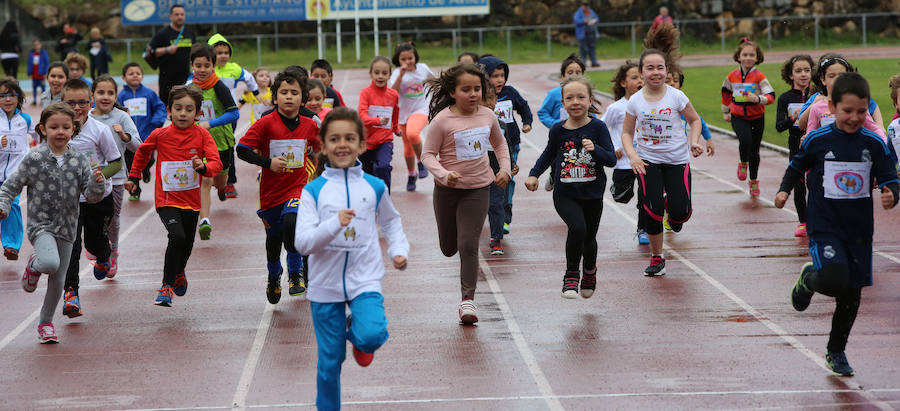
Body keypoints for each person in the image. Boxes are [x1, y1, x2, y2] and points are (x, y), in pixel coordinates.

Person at [775, 72, 899, 377]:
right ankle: (809, 279)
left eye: (861, 111)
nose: (854, 117)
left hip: (858, 229)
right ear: (831, 106)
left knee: (851, 295)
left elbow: (890, 178)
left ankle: (836, 350)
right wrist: (784, 190)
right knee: (833, 277)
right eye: (847, 111)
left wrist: (891, 195)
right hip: (824, 223)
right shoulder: (818, 140)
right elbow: (796, 166)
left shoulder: (874, 143)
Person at [294, 107, 408, 411]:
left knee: (370, 335)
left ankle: (358, 337)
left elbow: (392, 222)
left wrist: (399, 250)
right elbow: (303, 244)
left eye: (349, 138)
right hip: (324, 286)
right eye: (334, 139)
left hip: (365, 279)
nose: (342, 145)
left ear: (361, 144)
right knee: (329, 363)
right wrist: (334, 224)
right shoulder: (313, 192)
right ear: (323, 145)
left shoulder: (374, 186)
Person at [0, 103, 105, 343]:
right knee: (49, 263)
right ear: (42, 129)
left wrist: (98, 182)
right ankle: (35, 265)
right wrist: (3, 206)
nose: (60, 131)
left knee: (58, 280)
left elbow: (92, 196)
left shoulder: (79, 160)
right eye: (54, 126)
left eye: (66, 127)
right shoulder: (34, 158)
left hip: (68, 228)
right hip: (41, 225)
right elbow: (10, 186)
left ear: (73, 130)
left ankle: (46, 323)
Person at [422, 63, 511, 324]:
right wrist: (443, 174)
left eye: (477, 89)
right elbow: (427, 155)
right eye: (466, 90)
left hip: (478, 189)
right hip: (447, 191)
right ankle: (454, 255)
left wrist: (505, 168)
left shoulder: (487, 116)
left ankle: (467, 301)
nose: (473, 94)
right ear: (452, 92)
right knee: (449, 247)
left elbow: (500, 144)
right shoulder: (442, 121)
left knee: (468, 245)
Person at [125, 85, 223, 306]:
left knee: (187, 243)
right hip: (166, 199)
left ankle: (179, 271)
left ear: (198, 113)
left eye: (189, 109)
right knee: (177, 237)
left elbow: (216, 163)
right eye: (178, 108)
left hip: (191, 201)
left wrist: (203, 168)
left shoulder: (202, 135)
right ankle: (166, 286)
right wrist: (134, 177)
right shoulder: (160, 134)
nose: (183, 113)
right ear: (169, 110)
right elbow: (142, 151)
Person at [620, 25, 704, 277]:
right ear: (641, 72)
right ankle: (657, 257)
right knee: (652, 211)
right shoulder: (635, 101)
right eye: (650, 68)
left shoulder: (676, 96)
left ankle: (674, 211)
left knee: (681, 212)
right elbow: (626, 133)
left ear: (667, 71)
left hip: (677, 160)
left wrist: (694, 141)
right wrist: (633, 155)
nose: (655, 72)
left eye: (660, 67)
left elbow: (695, 120)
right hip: (648, 161)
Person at [525, 77, 616, 298]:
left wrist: (595, 148)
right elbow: (548, 153)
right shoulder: (558, 130)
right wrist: (534, 174)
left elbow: (611, 159)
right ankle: (571, 274)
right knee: (577, 228)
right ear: (563, 103)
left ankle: (590, 272)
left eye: (581, 97)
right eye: (569, 98)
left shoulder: (598, 127)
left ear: (590, 100)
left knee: (589, 238)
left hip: (592, 193)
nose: (575, 102)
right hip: (565, 193)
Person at [237, 69, 320, 303]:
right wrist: (268, 163)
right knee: (274, 239)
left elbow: (324, 148)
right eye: (284, 92)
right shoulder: (266, 124)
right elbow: (241, 149)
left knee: (292, 223)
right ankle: (274, 275)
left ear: (303, 99)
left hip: (297, 187)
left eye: (295, 93)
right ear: (275, 97)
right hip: (271, 192)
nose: (289, 97)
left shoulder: (309, 125)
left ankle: (295, 272)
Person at [61, 78, 123, 318]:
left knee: (94, 245)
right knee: (71, 248)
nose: (77, 108)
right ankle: (71, 294)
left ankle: (104, 254)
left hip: (98, 198)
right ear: (62, 102)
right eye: (71, 103)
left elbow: (116, 162)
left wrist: (101, 175)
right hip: (69, 201)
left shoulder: (99, 130)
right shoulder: (58, 129)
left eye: (83, 102)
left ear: (90, 102)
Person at [90, 75, 142, 277]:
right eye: (100, 92)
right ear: (92, 95)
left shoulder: (122, 117)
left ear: (116, 95)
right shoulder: (87, 118)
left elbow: (138, 146)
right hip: (91, 177)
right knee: (89, 217)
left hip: (117, 177)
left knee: (113, 218)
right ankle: (95, 247)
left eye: (110, 93)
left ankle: (113, 252)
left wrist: (124, 136)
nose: (105, 97)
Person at [188, 43, 239, 240]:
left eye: (206, 66)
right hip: (199, 142)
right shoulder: (189, 86)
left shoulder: (219, 86)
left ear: (213, 66)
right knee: (205, 180)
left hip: (221, 142)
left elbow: (234, 113)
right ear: (192, 65)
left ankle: (223, 188)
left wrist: (210, 123)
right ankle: (205, 221)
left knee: (220, 182)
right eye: (198, 65)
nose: (202, 70)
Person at [479, 55, 532, 235]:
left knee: (507, 180)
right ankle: (490, 210)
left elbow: (524, 107)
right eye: (495, 76)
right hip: (485, 148)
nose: (500, 79)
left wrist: (527, 123)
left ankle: (504, 218)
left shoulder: (510, 93)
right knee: (488, 182)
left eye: (502, 75)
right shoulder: (479, 96)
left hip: (511, 145)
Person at [208, 33, 260, 199]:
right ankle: (207, 180)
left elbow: (249, 78)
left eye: (226, 52)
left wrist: (256, 91)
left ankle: (229, 182)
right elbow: (190, 82)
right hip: (208, 116)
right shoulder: (206, 68)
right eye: (218, 52)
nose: (223, 56)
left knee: (228, 148)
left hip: (229, 116)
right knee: (207, 147)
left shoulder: (234, 68)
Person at [721, 38, 774, 197]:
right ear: (739, 56)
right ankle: (743, 162)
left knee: (755, 151)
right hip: (738, 115)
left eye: (752, 55)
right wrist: (726, 111)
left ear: (757, 58)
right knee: (746, 141)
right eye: (745, 54)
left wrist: (758, 99)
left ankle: (753, 181)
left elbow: (771, 96)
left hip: (757, 116)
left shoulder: (759, 77)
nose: (748, 58)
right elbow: (726, 93)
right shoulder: (732, 76)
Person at [602, 60, 648, 244]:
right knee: (622, 196)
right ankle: (618, 189)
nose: (640, 80)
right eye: (634, 77)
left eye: (642, 77)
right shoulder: (616, 108)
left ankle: (643, 228)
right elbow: (601, 129)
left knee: (646, 196)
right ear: (623, 83)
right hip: (623, 161)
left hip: (645, 158)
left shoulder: (649, 104)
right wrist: (613, 148)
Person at [775, 54, 814, 237]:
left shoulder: (819, 96)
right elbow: (779, 126)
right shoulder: (785, 98)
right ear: (791, 75)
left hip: (815, 144)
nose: (803, 74)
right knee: (799, 185)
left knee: (815, 183)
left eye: (807, 70)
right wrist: (793, 118)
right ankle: (803, 222)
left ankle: (817, 217)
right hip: (795, 145)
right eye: (798, 71)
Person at [537, 53, 587, 192]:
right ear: (562, 76)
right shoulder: (554, 94)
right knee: (557, 160)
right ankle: (554, 176)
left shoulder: (586, 94)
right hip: (559, 136)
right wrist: (554, 123)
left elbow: (592, 113)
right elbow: (542, 112)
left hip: (580, 137)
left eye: (578, 72)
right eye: (570, 72)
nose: (574, 75)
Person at [118, 62, 167, 200]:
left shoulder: (149, 93)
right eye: (131, 73)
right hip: (128, 138)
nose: (135, 76)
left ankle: (145, 171)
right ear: (123, 77)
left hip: (147, 135)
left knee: (149, 159)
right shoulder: (122, 96)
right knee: (130, 164)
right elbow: (116, 111)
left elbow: (159, 108)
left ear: (142, 76)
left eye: (138, 73)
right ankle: (135, 190)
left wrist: (156, 122)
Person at [390, 42, 433, 191]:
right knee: (408, 148)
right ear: (398, 60)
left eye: (411, 57)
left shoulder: (423, 68)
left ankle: (422, 162)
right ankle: (411, 174)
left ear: (415, 57)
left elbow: (434, 82)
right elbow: (393, 93)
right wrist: (401, 75)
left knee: (413, 133)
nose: (408, 61)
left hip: (422, 109)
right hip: (403, 114)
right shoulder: (396, 73)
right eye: (404, 59)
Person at [0, 78, 32, 261]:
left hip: (15, 176)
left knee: (11, 206)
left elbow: (43, 134)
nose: (7, 99)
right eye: (2, 95)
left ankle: (11, 245)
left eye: (11, 95)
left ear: (18, 97)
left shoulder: (25, 119)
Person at [358, 56, 399, 191]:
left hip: (384, 140)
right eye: (377, 73)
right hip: (367, 141)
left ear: (390, 75)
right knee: (366, 173)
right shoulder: (366, 93)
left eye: (384, 73)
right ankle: (369, 199)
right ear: (370, 73)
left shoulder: (393, 95)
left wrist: (395, 127)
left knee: (382, 167)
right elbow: (362, 116)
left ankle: (385, 197)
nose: (380, 76)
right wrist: (377, 120)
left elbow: (395, 113)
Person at [149, 4, 197, 104]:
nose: (180, 17)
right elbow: (150, 52)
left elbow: (195, 53)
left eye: (182, 14)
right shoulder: (162, 34)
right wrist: (166, 50)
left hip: (185, 78)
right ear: (171, 16)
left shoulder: (190, 33)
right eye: (177, 14)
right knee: (168, 108)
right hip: (167, 80)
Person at [573, 2, 600, 68]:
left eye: (587, 7)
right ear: (582, 6)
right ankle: (582, 63)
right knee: (583, 49)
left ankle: (594, 62)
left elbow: (597, 18)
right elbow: (576, 21)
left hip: (591, 32)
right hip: (582, 34)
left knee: (592, 48)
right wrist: (584, 21)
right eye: (585, 7)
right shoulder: (578, 13)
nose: (587, 8)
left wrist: (595, 20)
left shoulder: (591, 11)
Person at [28, 39, 50, 106]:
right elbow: (29, 63)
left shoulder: (44, 53)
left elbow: (47, 63)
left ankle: (43, 100)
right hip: (34, 73)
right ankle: (34, 100)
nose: (36, 46)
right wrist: (29, 72)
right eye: (35, 45)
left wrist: (46, 72)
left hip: (41, 74)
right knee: (34, 87)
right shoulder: (31, 53)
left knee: (43, 88)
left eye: (38, 44)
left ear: (40, 45)